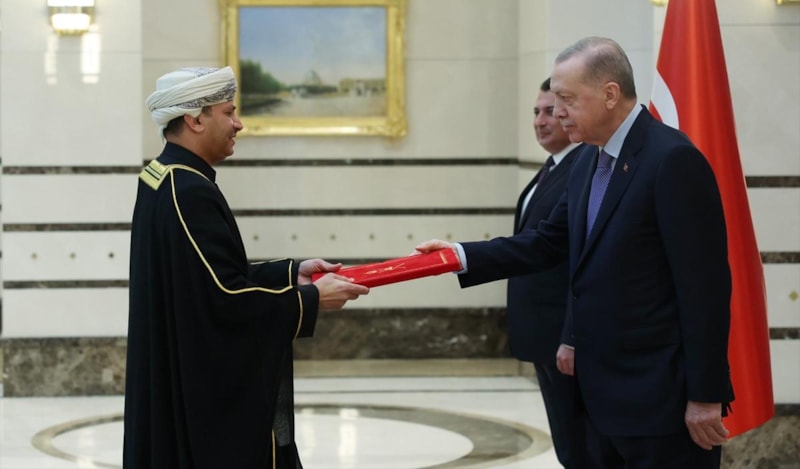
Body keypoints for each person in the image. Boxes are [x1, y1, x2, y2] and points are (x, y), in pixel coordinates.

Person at [418, 37, 734, 468]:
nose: (557, 111)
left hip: (662, 401)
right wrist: (460, 256)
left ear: (610, 94)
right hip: (599, 402)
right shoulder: (586, 160)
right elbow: (548, 241)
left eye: (566, 99)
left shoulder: (672, 160)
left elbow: (705, 291)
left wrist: (705, 395)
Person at [123, 66, 370, 468]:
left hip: (176, 371)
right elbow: (223, 300)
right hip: (201, 397)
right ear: (195, 119)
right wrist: (308, 300)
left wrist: (291, 274)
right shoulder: (187, 189)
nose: (238, 124)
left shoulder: (160, 175)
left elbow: (202, 278)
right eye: (229, 112)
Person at [507, 77, 584, 468]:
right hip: (541, 333)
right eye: (536, 112)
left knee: (580, 443)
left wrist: (570, 335)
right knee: (567, 439)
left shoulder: (582, 167)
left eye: (550, 111)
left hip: (563, 336)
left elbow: (574, 260)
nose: (540, 121)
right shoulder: (554, 167)